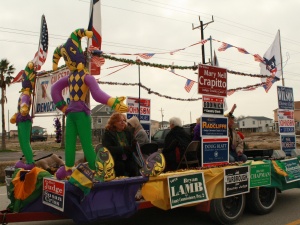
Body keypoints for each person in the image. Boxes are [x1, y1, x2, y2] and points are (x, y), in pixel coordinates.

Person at [102, 112, 138, 177]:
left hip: (129, 159)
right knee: (120, 167)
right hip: (115, 160)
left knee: (133, 168)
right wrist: (122, 149)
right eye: (119, 121)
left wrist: (133, 145)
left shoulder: (128, 132)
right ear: (113, 123)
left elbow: (133, 146)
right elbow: (107, 148)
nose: (122, 122)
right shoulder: (108, 134)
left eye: (124, 120)